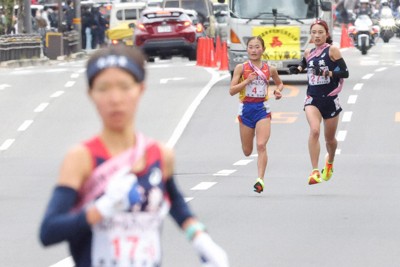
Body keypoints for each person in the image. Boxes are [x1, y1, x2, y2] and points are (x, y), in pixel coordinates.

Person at [39, 45, 229, 267]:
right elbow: (49, 231)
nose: (115, 99)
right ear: (90, 94)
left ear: (141, 89)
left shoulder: (159, 155)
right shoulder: (82, 158)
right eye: (103, 88)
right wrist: (100, 209)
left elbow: (175, 202)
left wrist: (200, 238)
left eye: (124, 87)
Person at [289, 19, 349, 185]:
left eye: (320, 32)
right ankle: (315, 171)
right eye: (314, 32)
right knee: (314, 131)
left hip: (330, 99)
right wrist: (296, 69)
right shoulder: (309, 52)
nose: (317, 36)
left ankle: (329, 162)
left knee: (330, 140)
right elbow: (303, 65)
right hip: (313, 99)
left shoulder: (333, 51)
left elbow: (344, 72)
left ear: (326, 34)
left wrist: (326, 73)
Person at [229, 36, 284, 193]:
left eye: (257, 47)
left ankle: (260, 180)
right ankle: (257, 171)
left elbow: (279, 83)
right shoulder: (241, 68)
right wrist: (246, 81)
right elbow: (232, 91)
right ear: (247, 50)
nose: (254, 50)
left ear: (263, 49)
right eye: (251, 47)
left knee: (261, 145)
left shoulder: (269, 69)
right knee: (247, 151)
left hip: (262, 110)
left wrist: (278, 91)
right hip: (246, 110)